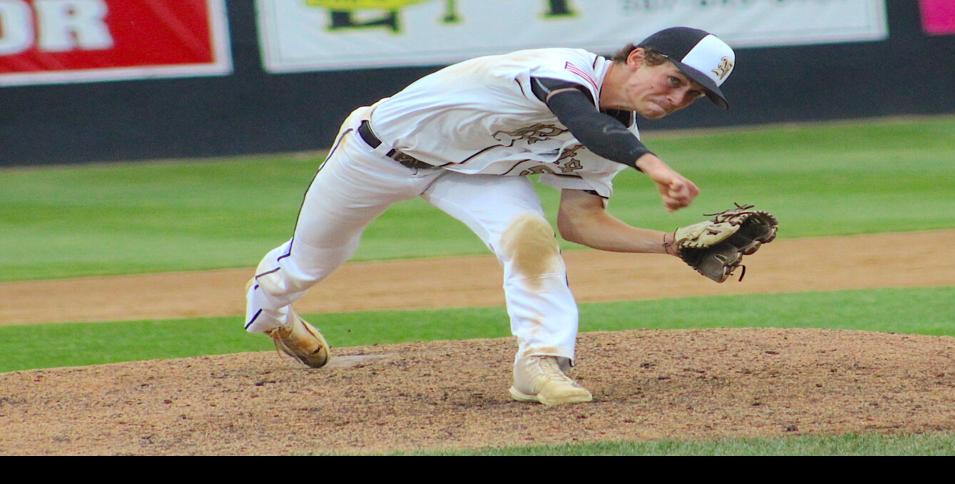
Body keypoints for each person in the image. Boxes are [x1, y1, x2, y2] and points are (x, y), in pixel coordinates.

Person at [243, 26, 738, 405]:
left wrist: (671, 243)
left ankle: (541, 362)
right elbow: (582, 120)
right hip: (379, 154)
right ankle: (275, 313)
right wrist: (652, 165)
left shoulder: (616, 138)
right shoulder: (562, 69)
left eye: (691, 95)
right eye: (674, 80)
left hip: (478, 173)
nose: (676, 99)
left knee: (531, 236)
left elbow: (580, 221)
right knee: (310, 263)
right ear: (636, 59)